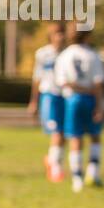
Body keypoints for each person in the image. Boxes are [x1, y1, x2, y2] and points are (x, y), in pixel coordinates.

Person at [54, 24, 104, 192]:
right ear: (88, 36)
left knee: (75, 138)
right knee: (95, 136)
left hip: (72, 100)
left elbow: (62, 82)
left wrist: (78, 88)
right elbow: (98, 84)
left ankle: (77, 180)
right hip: (90, 99)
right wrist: (98, 105)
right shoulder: (93, 55)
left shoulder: (64, 56)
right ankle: (93, 174)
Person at [28, 22, 67, 183]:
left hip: (66, 95)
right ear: (51, 36)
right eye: (57, 33)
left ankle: (53, 161)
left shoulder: (68, 54)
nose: (61, 36)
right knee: (56, 131)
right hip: (50, 95)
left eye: (62, 33)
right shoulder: (43, 54)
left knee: (64, 132)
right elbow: (37, 79)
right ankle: (55, 167)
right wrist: (34, 101)